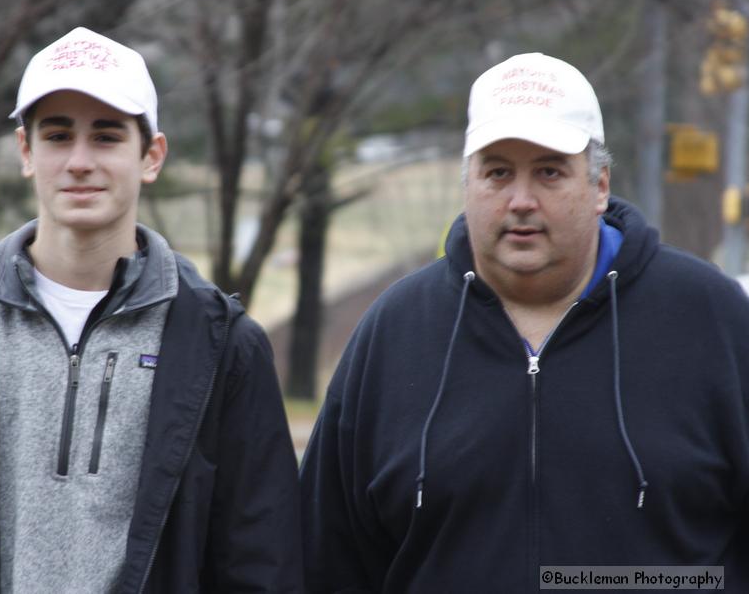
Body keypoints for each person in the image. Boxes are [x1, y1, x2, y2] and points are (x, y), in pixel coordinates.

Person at [0, 27, 304, 593]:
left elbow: (262, 558)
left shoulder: (220, 346)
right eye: (58, 136)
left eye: (106, 137)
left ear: (150, 156)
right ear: (27, 153)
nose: (80, 161)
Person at [299, 52, 749, 592]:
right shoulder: (394, 334)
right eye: (497, 172)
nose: (520, 200)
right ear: (466, 185)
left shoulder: (711, 321)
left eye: (550, 172)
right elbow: (324, 559)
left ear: (600, 185)